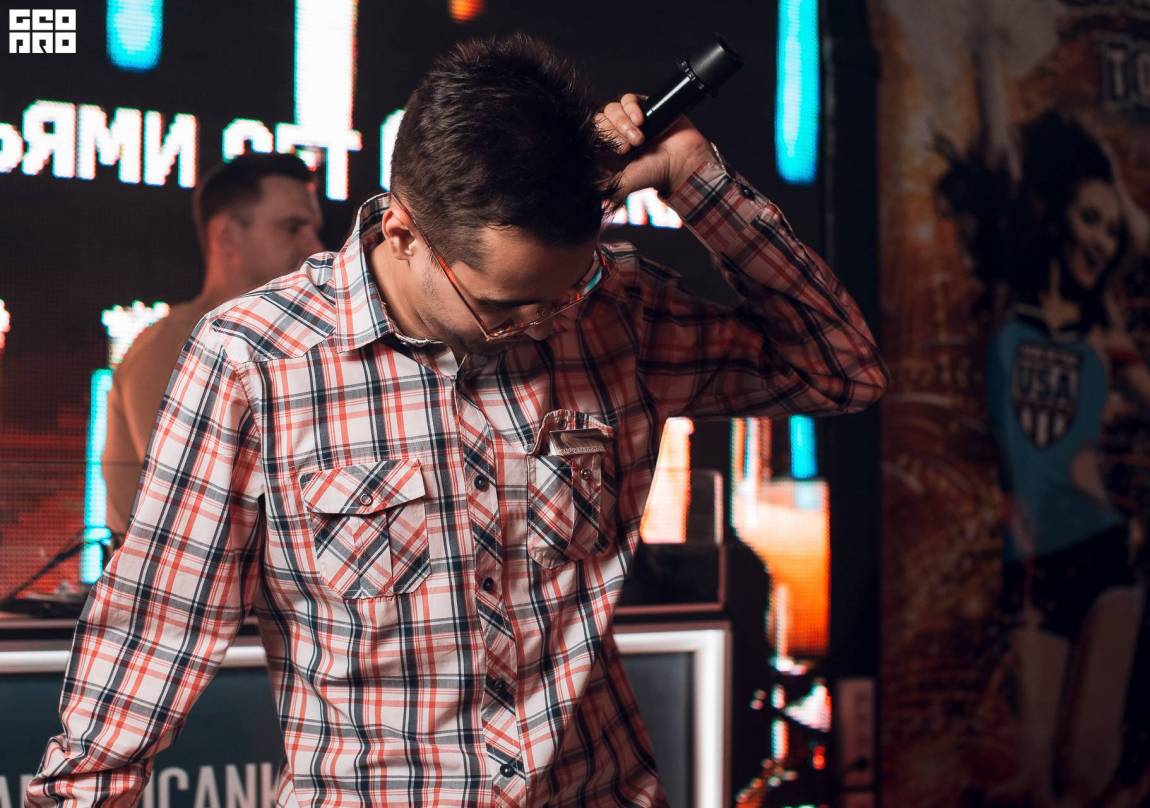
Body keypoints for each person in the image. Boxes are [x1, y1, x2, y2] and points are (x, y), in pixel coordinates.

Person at [29, 34, 887, 807]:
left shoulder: (610, 311)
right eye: (505, 306)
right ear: (403, 231)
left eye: (568, 288)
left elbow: (840, 369)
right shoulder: (255, 360)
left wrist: (699, 180)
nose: (547, 322)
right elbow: (157, 629)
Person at [937, 27, 1150, 806]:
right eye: (1088, 218)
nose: (1100, 238)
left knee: (1086, 768)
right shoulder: (1009, 304)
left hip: (1101, 547)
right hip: (1030, 558)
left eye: (1110, 227)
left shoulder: (1104, 332)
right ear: (1057, 215)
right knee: (1033, 774)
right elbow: (998, 160)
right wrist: (985, 54)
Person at [102, 153, 323, 540]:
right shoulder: (174, 346)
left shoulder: (294, 345)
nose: (315, 247)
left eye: (313, 229)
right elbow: (193, 510)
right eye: (292, 227)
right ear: (227, 237)